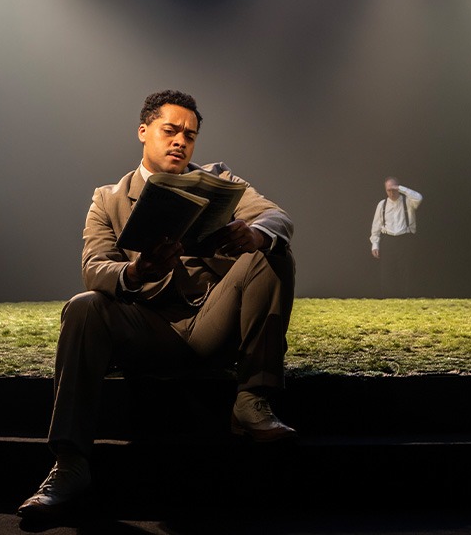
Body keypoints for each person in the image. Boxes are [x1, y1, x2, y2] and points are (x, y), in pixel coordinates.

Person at [18, 89, 297, 518]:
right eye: (170, 130)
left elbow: (278, 216)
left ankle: (252, 398)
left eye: (190, 134)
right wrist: (135, 272)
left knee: (273, 249)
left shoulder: (219, 181)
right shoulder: (108, 198)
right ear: (144, 131)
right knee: (83, 304)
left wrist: (254, 234)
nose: (180, 141)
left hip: (212, 322)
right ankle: (70, 463)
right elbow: (95, 267)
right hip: (148, 329)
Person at [370, 177, 422, 298]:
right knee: (387, 271)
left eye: (394, 189)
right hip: (388, 240)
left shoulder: (408, 201)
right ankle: (388, 299)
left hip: (405, 239)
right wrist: (375, 244)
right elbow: (376, 225)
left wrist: (400, 188)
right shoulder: (382, 204)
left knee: (406, 270)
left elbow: (419, 197)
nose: (391, 192)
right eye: (389, 190)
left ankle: (406, 298)